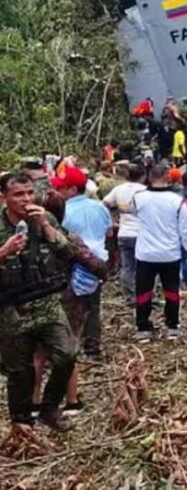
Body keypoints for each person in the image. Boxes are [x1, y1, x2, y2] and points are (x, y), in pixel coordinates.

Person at [0, 174, 108, 431]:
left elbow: (71, 253)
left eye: (29, 193)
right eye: (18, 194)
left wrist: (48, 229)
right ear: (3, 197)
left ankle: (50, 408)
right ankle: (22, 423)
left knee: (67, 354)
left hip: (48, 301)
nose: (26, 199)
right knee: (19, 372)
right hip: (11, 307)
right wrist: (3, 252)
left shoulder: (45, 219)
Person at [53, 166, 110, 413]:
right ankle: (93, 345)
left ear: (72, 188)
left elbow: (63, 243)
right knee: (93, 307)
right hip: (97, 262)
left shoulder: (63, 213)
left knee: (71, 313)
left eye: (61, 187)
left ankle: (70, 351)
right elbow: (109, 232)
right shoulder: (99, 207)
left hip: (75, 266)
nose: (57, 190)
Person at [131, 163, 187, 341]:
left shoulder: (139, 198)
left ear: (149, 177)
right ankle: (172, 326)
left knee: (144, 291)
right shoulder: (177, 201)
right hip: (170, 253)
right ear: (168, 177)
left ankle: (143, 327)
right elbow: (185, 228)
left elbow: (134, 214)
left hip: (145, 253)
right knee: (171, 290)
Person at [102, 163, 147, 305]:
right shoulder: (145, 191)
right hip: (142, 234)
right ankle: (143, 294)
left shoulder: (118, 189)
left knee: (127, 266)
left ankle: (129, 296)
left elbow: (105, 203)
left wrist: (112, 220)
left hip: (124, 232)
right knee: (144, 266)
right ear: (143, 176)